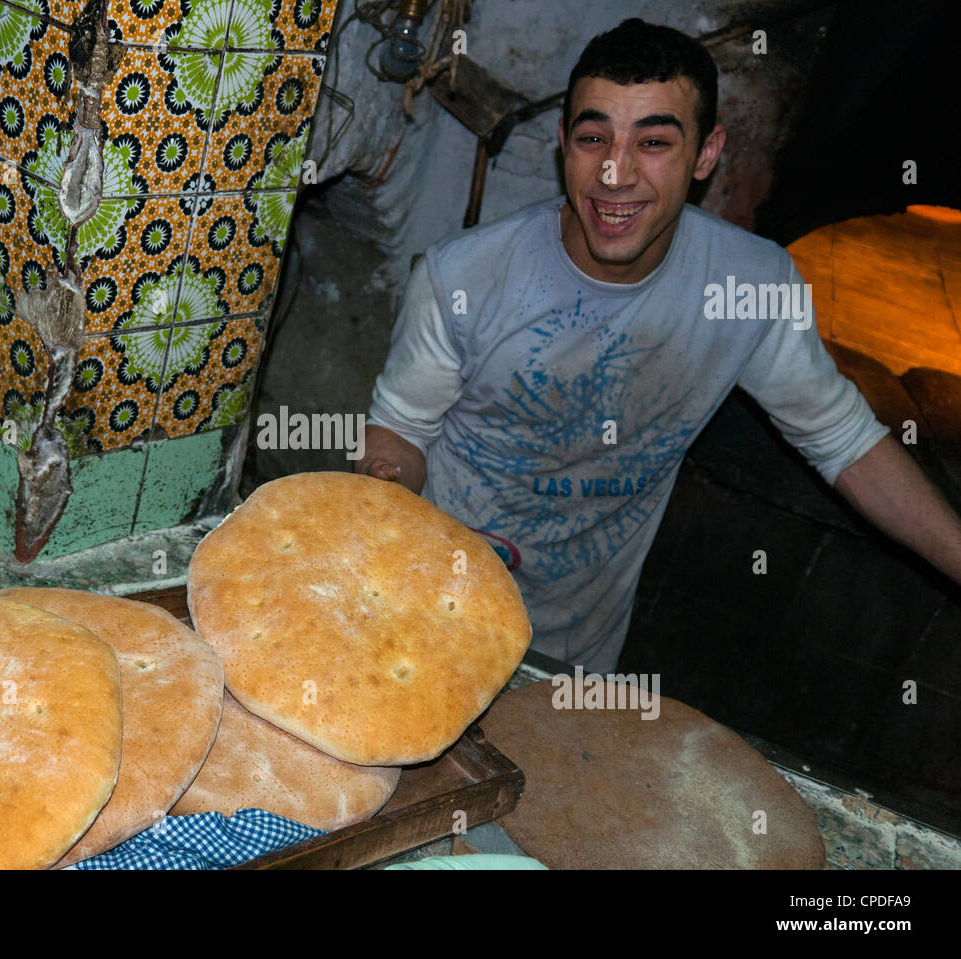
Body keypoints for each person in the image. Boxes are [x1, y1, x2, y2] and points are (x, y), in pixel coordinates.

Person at [357, 18, 961, 672]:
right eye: (594, 138)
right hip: (427, 614)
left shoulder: (748, 286)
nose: (615, 173)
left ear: (706, 154)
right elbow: (401, 431)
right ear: (564, 145)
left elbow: (842, 439)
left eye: (654, 142)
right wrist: (385, 483)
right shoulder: (459, 278)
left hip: (571, 657)